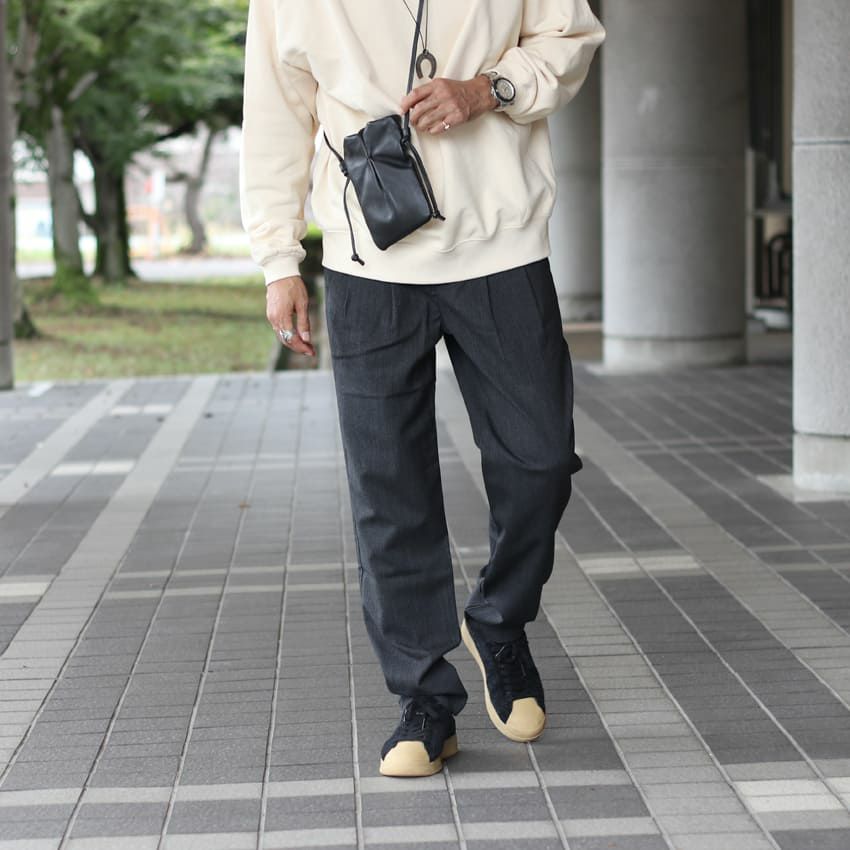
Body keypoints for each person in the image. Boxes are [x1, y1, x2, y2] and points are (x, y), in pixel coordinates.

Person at [240, 0, 605, 778]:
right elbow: (275, 112)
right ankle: (424, 699)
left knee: (541, 458)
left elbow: (571, 37)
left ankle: (499, 619)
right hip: (367, 259)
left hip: (503, 247)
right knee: (390, 489)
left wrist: (489, 89)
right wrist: (278, 260)